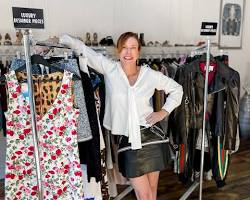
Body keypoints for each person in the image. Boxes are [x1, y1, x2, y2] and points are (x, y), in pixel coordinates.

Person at [59, 32, 183, 200]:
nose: (128, 52)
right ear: (118, 51)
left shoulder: (150, 74)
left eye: (132, 48)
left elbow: (177, 89)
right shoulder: (110, 69)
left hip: (152, 138)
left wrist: (163, 112)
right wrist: (62, 39)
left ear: (138, 51)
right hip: (128, 140)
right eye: (124, 47)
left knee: (151, 192)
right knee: (143, 194)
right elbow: (85, 50)